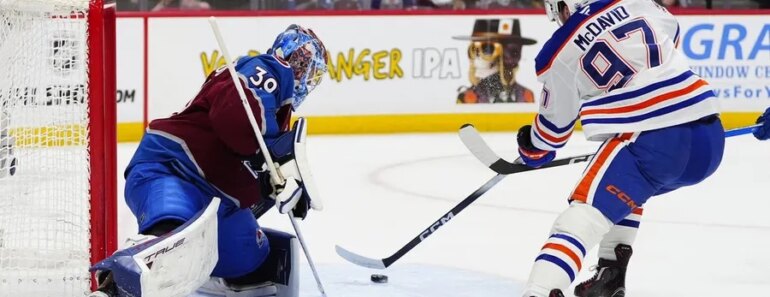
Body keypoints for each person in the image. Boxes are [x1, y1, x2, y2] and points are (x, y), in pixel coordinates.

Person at [91, 25, 328, 296]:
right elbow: (233, 118)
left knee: (252, 253)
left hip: (217, 201)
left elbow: (248, 155)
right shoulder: (268, 69)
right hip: (172, 170)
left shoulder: (278, 110)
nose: (302, 73)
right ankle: (116, 283)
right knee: (175, 240)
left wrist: (270, 187)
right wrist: (271, 158)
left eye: (307, 68)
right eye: (303, 64)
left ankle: (202, 273)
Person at [516, 0, 724, 296]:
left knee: (580, 219)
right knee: (627, 187)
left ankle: (538, 291)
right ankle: (611, 275)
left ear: (564, 6)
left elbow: (551, 135)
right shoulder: (640, 3)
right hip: (709, 138)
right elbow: (671, 37)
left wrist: (531, 147)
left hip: (651, 140)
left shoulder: (558, 51)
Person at [454, 19, 537, 104]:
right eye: (473, 49)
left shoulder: (526, 96)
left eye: (487, 49)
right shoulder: (467, 98)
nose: (477, 56)